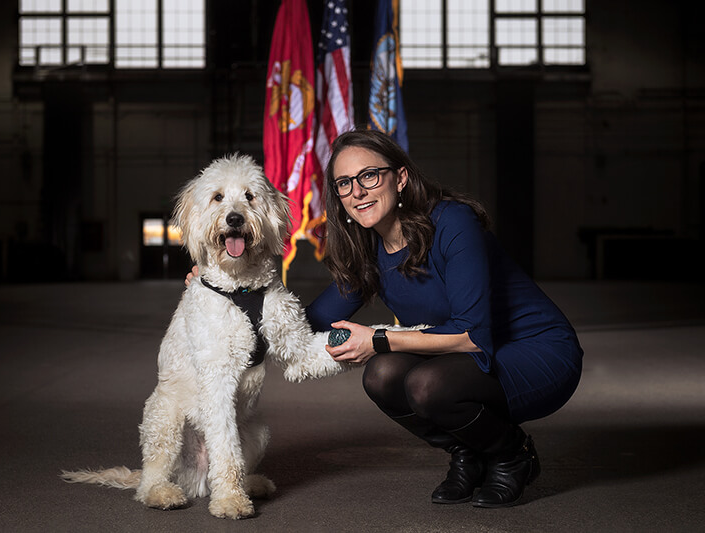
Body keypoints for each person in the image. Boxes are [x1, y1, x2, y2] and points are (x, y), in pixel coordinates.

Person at [186, 129, 582, 508]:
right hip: (463, 359)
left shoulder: (453, 223)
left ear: (401, 178)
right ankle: (468, 452)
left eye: (369, 176)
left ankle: (513, 455)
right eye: (344, 183)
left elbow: (473, 336)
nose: (357, 191)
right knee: (381, 375)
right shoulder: (370, 249)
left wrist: (377, 339)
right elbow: (303, 326)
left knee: (426, 384)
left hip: (536, 353)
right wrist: (220, 290)